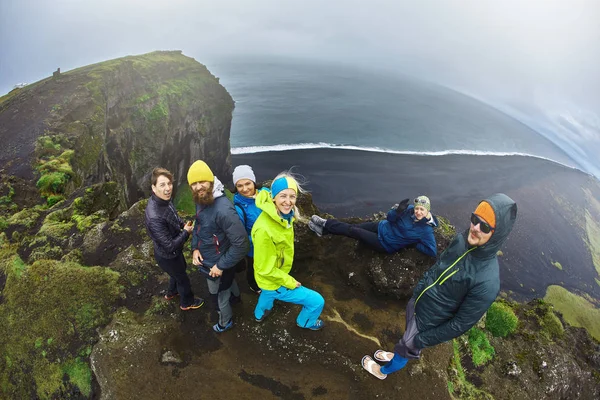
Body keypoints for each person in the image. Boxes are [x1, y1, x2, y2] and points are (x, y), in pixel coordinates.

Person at [361, 193, 517, 380]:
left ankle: (382, 371)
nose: (475, 228)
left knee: (407, 346)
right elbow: (438, 266)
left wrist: (422, 340)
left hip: (428, 324)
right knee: (405, 341)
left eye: (484, 226)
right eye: (474, 219)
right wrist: (418, 289)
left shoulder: (488, 282)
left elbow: (460, 324)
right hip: (418, 302)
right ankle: (398, 353)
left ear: (497, 233)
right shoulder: (461, 241)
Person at [252, 171, 326, 330]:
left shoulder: (282, 217)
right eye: (283, 196)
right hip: (273, 280)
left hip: (268, 280)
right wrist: (290, 282)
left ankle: (259, 315)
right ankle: (306, 322)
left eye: (292, 197)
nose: (288, 201)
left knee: (267, 294)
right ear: (273, 197)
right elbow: (266, 269)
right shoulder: (264, 230)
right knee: (316, 301)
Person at [188, 160, 249, 333]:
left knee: (219, 297)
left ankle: (225, 322)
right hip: (213, 257)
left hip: (217, 264)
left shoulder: (223, 210)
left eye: (203, 182)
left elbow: (242, 244)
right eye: (194, 183)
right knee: (229, 282)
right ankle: (236, 298)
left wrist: (220, 266)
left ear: (212, 182)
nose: (199, 187)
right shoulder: (201, 198)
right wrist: (195, 248)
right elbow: (199, 225)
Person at [144, 167, 204, 311]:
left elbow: (172, 216)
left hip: (169, 255)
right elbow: (169, 246)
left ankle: (171, 292)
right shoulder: (155, 217)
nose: (168, 188)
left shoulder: (163, 201)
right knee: (182, 278)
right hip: (168, 255)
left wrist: (182, 224)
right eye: (162, 185)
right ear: (153, 187)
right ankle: (187, 302)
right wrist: (186, 232)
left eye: (169, 184)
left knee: (177, 273)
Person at [309, 196, 438, 257]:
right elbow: (390, 218)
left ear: (427, 211)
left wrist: (413, 244)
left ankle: (325, 223)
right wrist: (398, 211)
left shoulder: (426, 230)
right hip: (382, 226)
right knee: (353, 226)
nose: (418, 212)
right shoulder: (408, 210)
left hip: (385, 244)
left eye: (422, 209)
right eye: (417, 208)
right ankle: (323, 230)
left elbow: (432, 251)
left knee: (354, 230)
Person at [232, 165, 263, 293]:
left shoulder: (265, 195)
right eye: (239, 186)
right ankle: (254, 285)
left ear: (254, 182)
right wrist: (259, 239)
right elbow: (241, 235)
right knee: (254, 267)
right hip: (253, 246)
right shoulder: (238, 207)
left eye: (248, 183)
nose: (245, 189)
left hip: (270, 243)